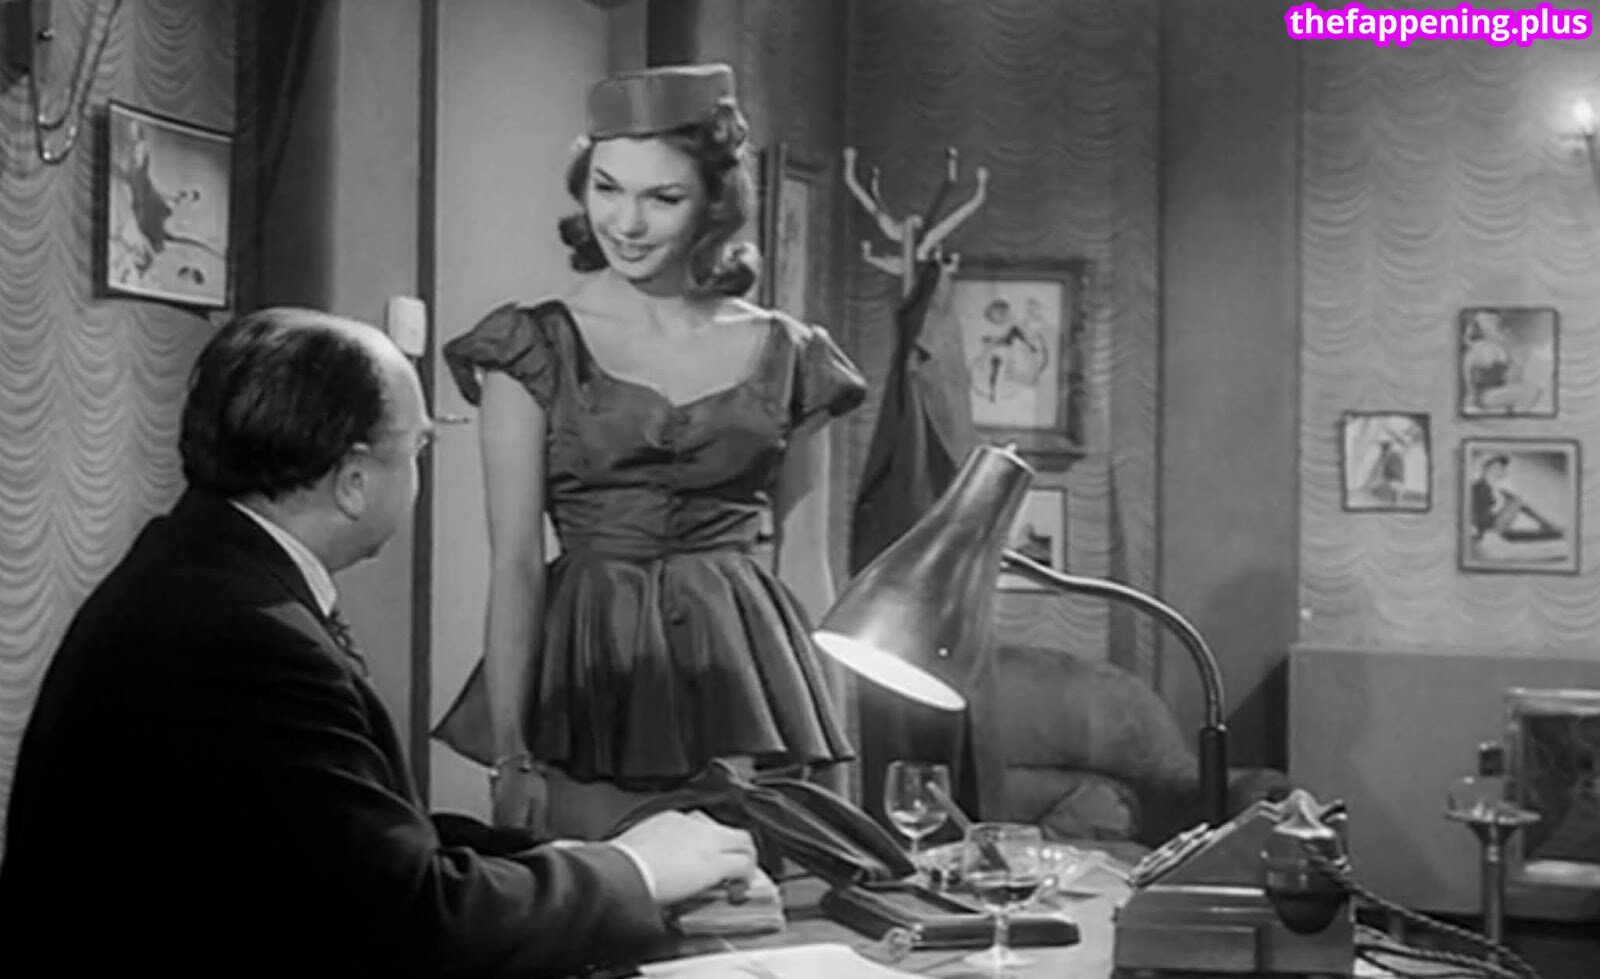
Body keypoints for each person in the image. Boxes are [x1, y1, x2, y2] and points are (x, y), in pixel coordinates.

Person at [0, 308, 757, 978]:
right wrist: (634, 871)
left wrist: (569, 859)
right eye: (418, 449)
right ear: (355, 480)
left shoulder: (205, 573)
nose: (419, 473)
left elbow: (353, 841)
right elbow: (409, 923)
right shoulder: (242, 636)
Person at [430, 63, 866, 839]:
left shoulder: (791, 354)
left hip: (745, 682)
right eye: (607, 188)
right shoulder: (530, 346)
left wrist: (837, 754)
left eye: (662, 197)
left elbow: (809, 567)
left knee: (747, 904)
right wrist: (511, 755)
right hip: (593, 679)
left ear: (713, 204)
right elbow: (516, 565)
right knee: (602, 894)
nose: (625, 223)